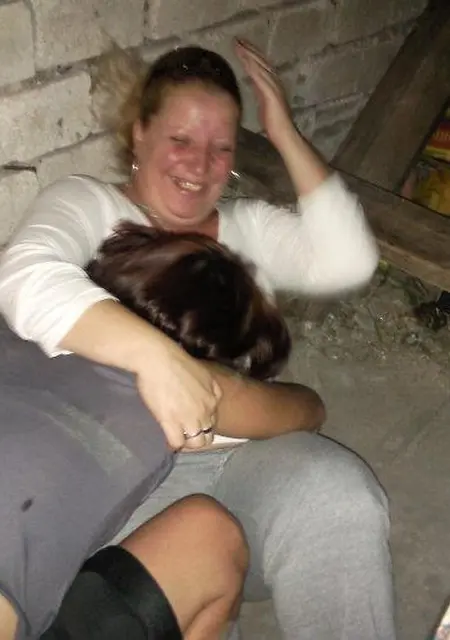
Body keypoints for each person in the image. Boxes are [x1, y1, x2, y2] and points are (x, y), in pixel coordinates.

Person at [0, 39, 394, 639]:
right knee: (192, 570)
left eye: (221, 148)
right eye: (181, 140)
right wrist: (158, 360)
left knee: (339, 495)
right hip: (121, 466)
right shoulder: (91, 204)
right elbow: (24, 275)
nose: (200, 165)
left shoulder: (245, 228)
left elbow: (349, 260)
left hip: (241, 442)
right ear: (139, 135)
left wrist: (284, 133)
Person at [0, 223, 324, 640]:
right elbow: (306, 411)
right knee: (212, 539)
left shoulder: (21, 314)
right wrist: (209, 379)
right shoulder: (179, 393)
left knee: (206, 532)